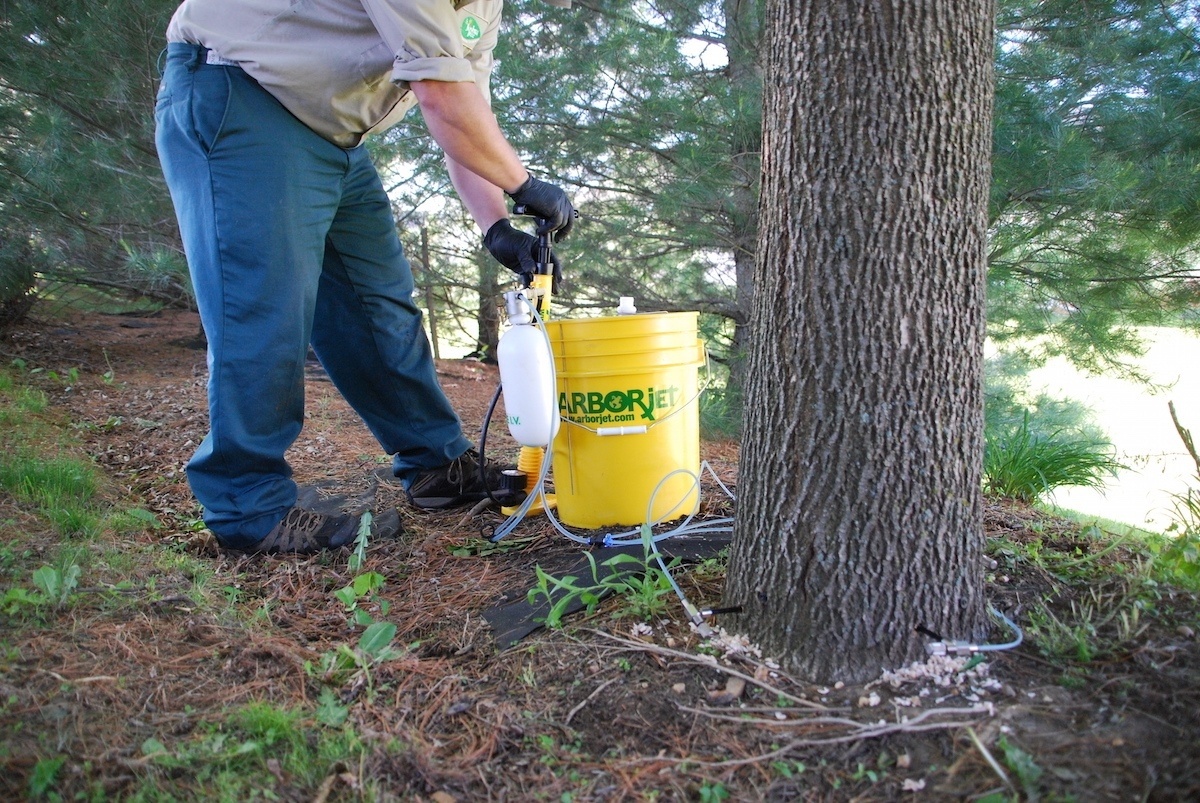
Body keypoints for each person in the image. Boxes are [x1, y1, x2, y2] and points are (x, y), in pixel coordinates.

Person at [154, 0, 576, 554]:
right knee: (264, 309)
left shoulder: (484, 7)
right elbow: (441, 96)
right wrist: (524, 185)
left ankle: (436, 467)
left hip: (332, 135)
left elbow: (468, 107)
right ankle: (247, 505)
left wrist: (496, 224)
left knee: (379, 307)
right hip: (241, 91)